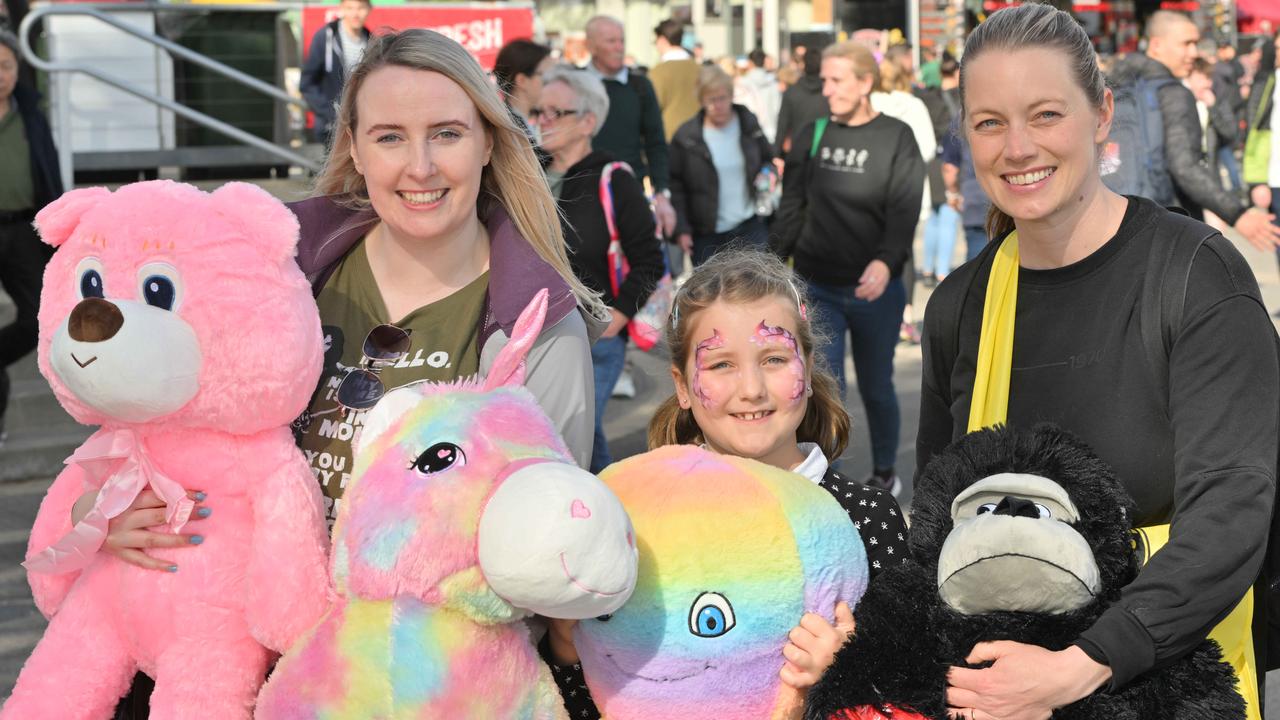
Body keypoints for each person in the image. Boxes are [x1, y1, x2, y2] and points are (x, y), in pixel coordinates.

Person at [97, 28, 608, 716]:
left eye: (447, 134)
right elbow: (159, 414)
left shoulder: (538, 325)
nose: (419, 166)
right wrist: (108, 507)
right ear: (356, 148)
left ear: (488, 143)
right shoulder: (275, 272)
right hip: (219, 652)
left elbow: (537, 555)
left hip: (395, 686)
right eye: (391, 136)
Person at [918, 5, 1277, 719]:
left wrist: (1084, 664)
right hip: (1002, 693)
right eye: (989, 122)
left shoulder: (1195, 276)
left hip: (1174, 681)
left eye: (1045, 114)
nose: (1017, 147)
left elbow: (1234, 505)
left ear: (1102, 114)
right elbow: (936, 525)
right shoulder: (960, 306)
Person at [541, 248, 911, 718]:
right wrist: (566, 647)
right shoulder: (640, 518)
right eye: (721, 365)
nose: (752, 388)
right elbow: (591, 697)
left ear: (809, 367)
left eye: (774, 358)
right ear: (681, 385)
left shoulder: (866, 517)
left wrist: (845, 678)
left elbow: (914, 687)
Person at [774, 40, 925, 495]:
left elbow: (904, 208)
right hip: (818, 287)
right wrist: (771, 269)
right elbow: (792, 207)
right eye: (824, 80)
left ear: (865, 83)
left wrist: (886, 262)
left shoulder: (896, 136)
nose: (828, 90)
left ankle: (884, 471)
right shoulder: (812, 133)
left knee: (877, 385)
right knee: (821, 389)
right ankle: (824, 479)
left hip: (875, 289)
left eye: (837, 80)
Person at [536, 65, 664, 473]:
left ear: (588, 121)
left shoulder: (614, 177)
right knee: (560, 433)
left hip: (596, 337)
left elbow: (650, 259)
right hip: (535, 331)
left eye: (558, 112)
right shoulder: (527, 172)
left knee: (576, 433)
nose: (544, 121)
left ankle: (608, 514)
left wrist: (618, 315)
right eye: (540, 111)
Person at [1110, 11, 1280, 252]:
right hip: (1167, 223)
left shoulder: (1113, 90)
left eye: (1196, 44)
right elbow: (1184, 167)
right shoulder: (1174, 94)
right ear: (1157, 45)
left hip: (1114, 220)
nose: (1194, 53)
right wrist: (1238, 214)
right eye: (1186, 44)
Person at [0, 29, 61, 445]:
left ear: (17, 70)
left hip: (22, 229)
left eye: (5, 65)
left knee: (39, 318)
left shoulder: (32, 117)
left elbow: (49, 175)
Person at [669, 65, 774, 266]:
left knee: (753, 290)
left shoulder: (747, 123)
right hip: (707, 234)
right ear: (701, 101)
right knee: (712, 294)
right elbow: (676, 186)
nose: (718, 105)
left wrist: (767, 174)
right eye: (711, 100)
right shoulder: (687, 137)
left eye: (723, 97)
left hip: (749, 226)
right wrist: (681, 229)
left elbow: (768, 159)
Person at [584, 15, 677, 238]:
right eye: (611, 41)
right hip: (583, 194)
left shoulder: (640, 86)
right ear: (591, 45)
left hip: (630, 192)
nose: (619, 47)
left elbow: (656, 143)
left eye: (621, 41)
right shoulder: (575, 85)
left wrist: (662, 194)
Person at [299, 0, 371, 146]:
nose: (355, 13)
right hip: (331, 129)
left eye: (360, 8)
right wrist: (332, 114)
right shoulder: (325, 37)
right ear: (341, 9)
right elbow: (307, 83)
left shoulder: (371, 41)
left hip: (362, 127)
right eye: (350, 8)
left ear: (369, 9)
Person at [1246, 31, 1280, 282]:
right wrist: (1257, 180)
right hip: (1276, 178)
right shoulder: (1269, 82)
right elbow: (1256, 133)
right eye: (1277, 48)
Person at [649, 18, 700, 143]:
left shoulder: (658, 72)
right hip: (699, 136)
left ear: (662, 40)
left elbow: (651, 109)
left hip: (670, 138)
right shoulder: (701, 70)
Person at [492, 38, 553, 142]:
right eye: (547, 77)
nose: (553, 83)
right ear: (522, 80)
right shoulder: (509, 132)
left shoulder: (515, 124)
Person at [775, 45, 828, 158]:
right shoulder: (828, 92)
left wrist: (776, 153)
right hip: (825, 150)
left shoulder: (792, 92)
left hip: (798, 150)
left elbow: (782, 124)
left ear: (803, 65)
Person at [736, 47, 783, 144]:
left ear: (750, 62)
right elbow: (778, 108)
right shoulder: (774, 83)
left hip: (749, 133)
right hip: (771, 132)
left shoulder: (741, 83)